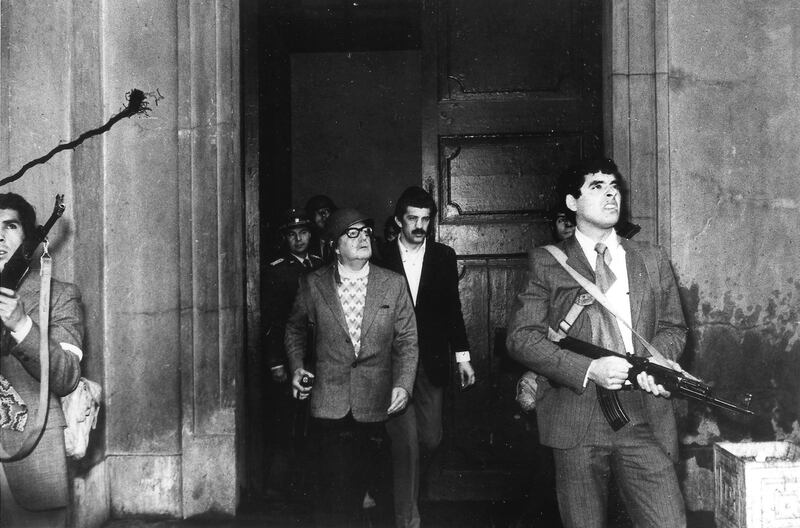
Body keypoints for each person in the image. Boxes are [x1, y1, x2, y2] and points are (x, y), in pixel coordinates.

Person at [506, 158, 688, 528]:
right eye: (596, 186)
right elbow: (522, 338)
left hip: (643, 414)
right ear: (572, 203)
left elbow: (673, 328)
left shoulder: (651, 258)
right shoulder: (548, 262)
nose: (610, 194)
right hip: (576, 416)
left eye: (614, 186)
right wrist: (588, 368)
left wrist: (655, 365)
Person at [285, 208, 418, 526]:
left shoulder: (393, 284)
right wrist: (296, 367)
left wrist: (403, 383)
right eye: (352, 233)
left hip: (377, 405)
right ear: (334, 245)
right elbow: (294, 329)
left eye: (365, 231)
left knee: (381, 498)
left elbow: (407, 341)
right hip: (330, 405)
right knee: (337, 502)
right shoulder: (313, 284)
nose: (362, 239)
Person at [378, 186, 475, 528]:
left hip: (431, 361)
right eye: (412, 219)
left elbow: (452, 309)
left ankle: (394, 485)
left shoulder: (443, 256)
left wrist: (462, 355)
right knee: (405, 444)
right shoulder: (380, 256)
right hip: (392, 363)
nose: (420, 226)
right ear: (398, 220)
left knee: (430, 438)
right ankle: (408, 517)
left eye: (425, 219)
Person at [0, 192, 84, 528]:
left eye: (10, 226)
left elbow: (67, 376)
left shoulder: (60, 295)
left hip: (29, 452)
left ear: (30, 238)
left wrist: (22, 325)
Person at [261, 209, 323, 500]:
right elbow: (273, 321)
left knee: (315, 420)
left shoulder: (322, 265)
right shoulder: (276, 269)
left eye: (304, 233)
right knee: (287, 421)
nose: (299, 239)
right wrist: (276, 362)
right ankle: (279, 488)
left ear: (311, 235)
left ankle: (311, 483)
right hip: (290, 355)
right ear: (285, 238)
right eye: (292, 234)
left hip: (318, 355)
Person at [305, 194, 337, 264]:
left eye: (328, 211)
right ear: (312, 217)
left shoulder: (341, 239)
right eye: (320, 213)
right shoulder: (307, 242)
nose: (325, 216)